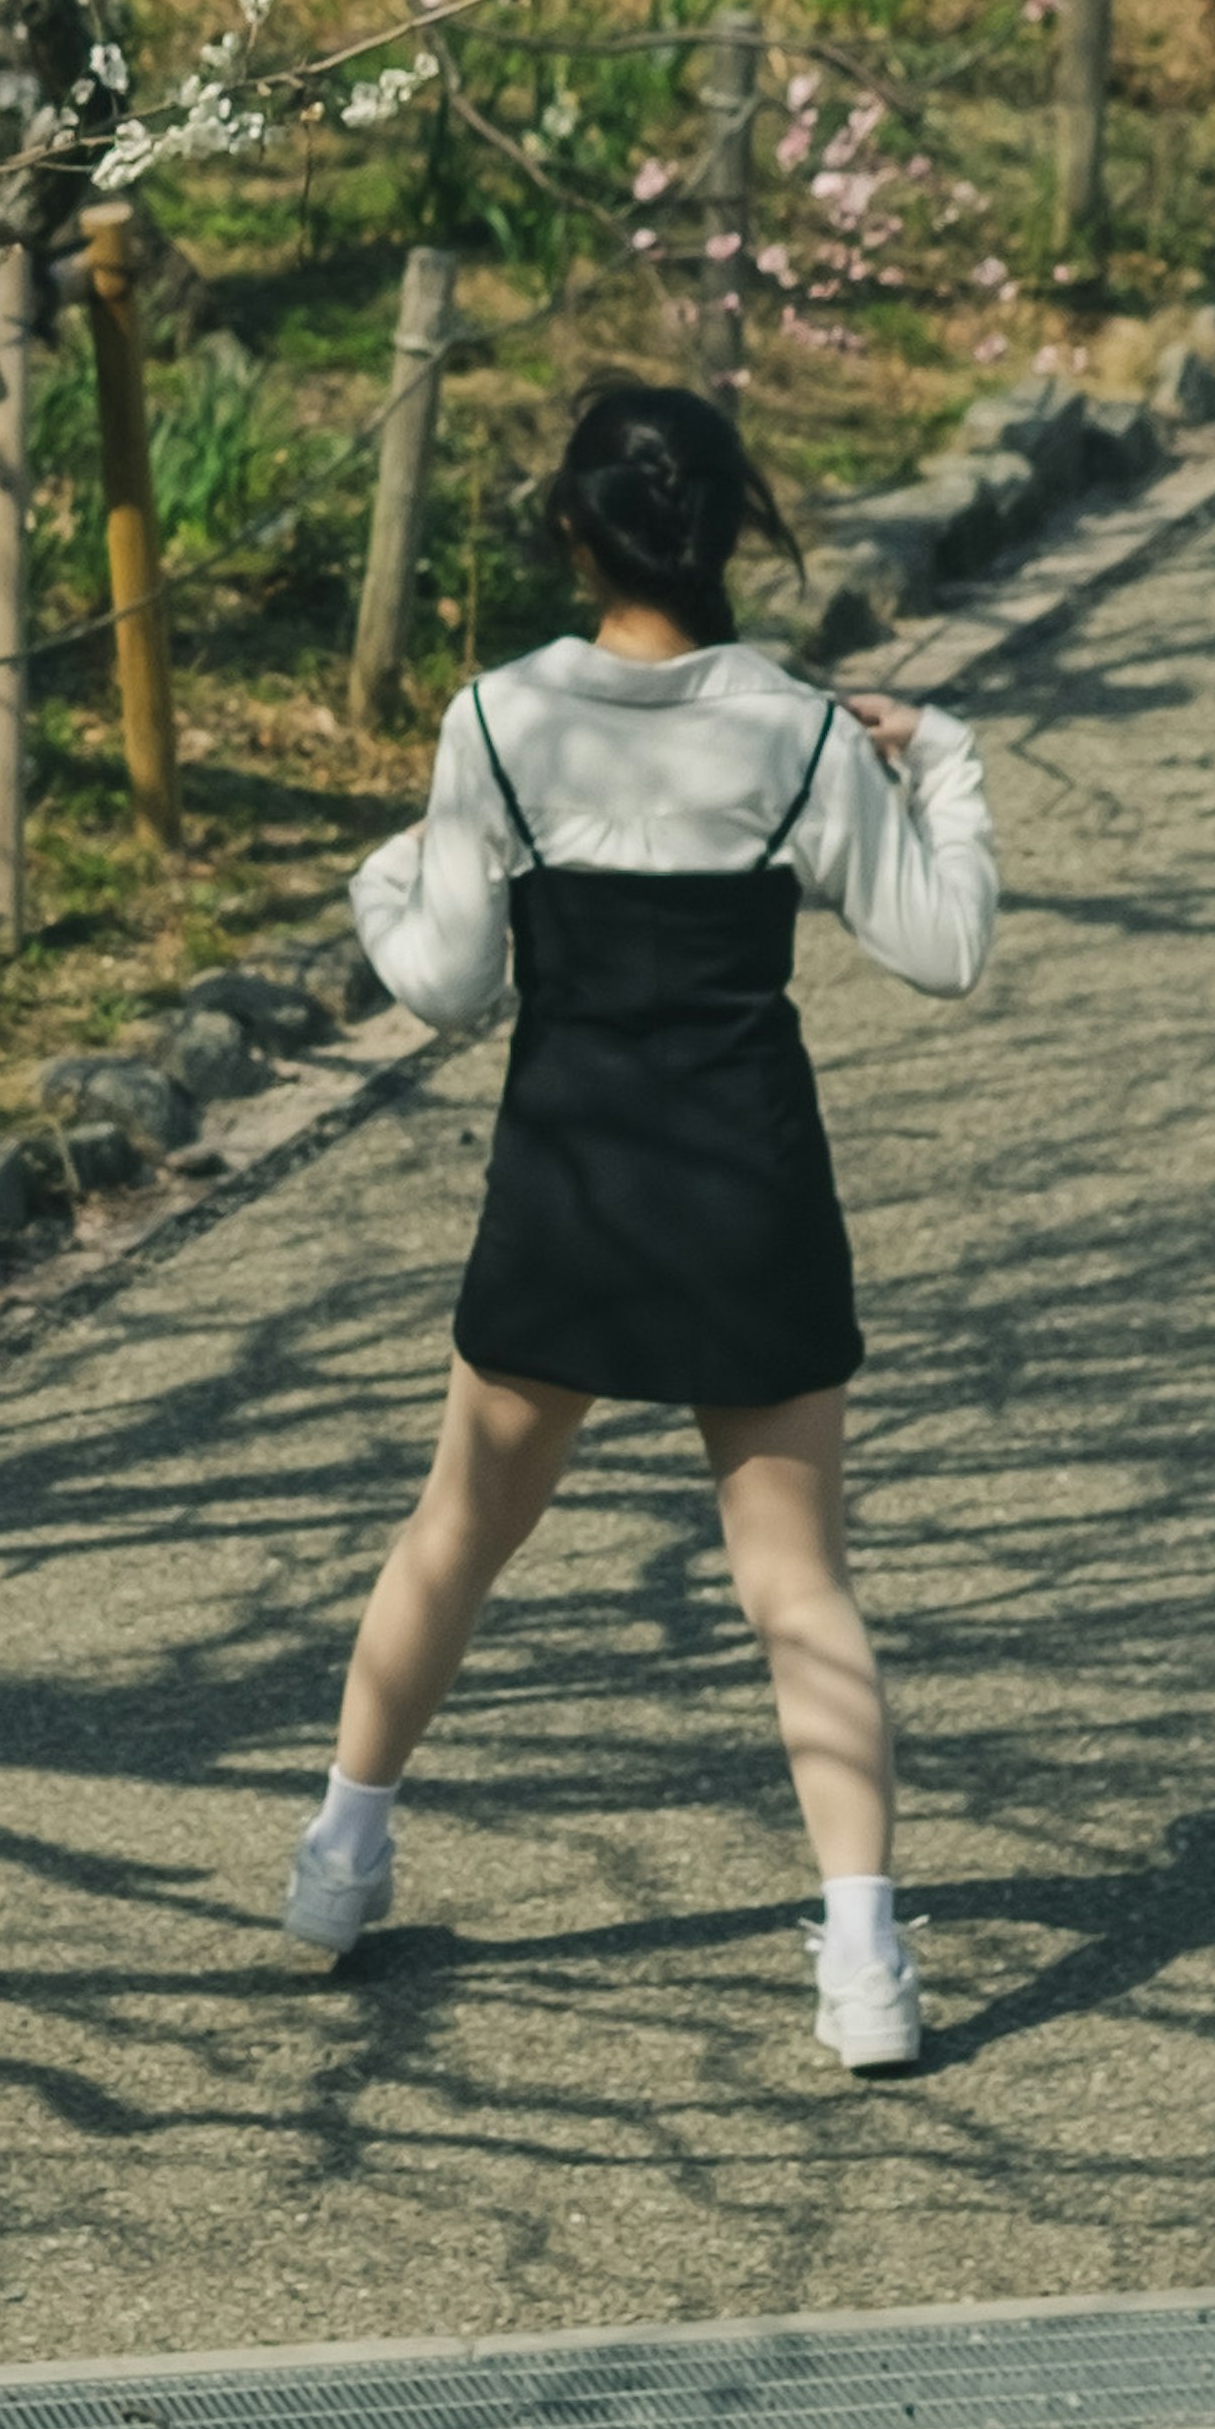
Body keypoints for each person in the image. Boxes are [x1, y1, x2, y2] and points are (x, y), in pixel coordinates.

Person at [286, 374, 997, 2072]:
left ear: (573, 531)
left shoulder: (497, 719)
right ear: (732, 522)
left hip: (571, 1191)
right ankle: (868, 1971)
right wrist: (949, 762)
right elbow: (945, 947)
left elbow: (451, 986)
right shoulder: (806, 731)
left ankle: (336, 1870)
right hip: (750, 1192)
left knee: (455, 1539)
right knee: (798, 1591)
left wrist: (383, 881)